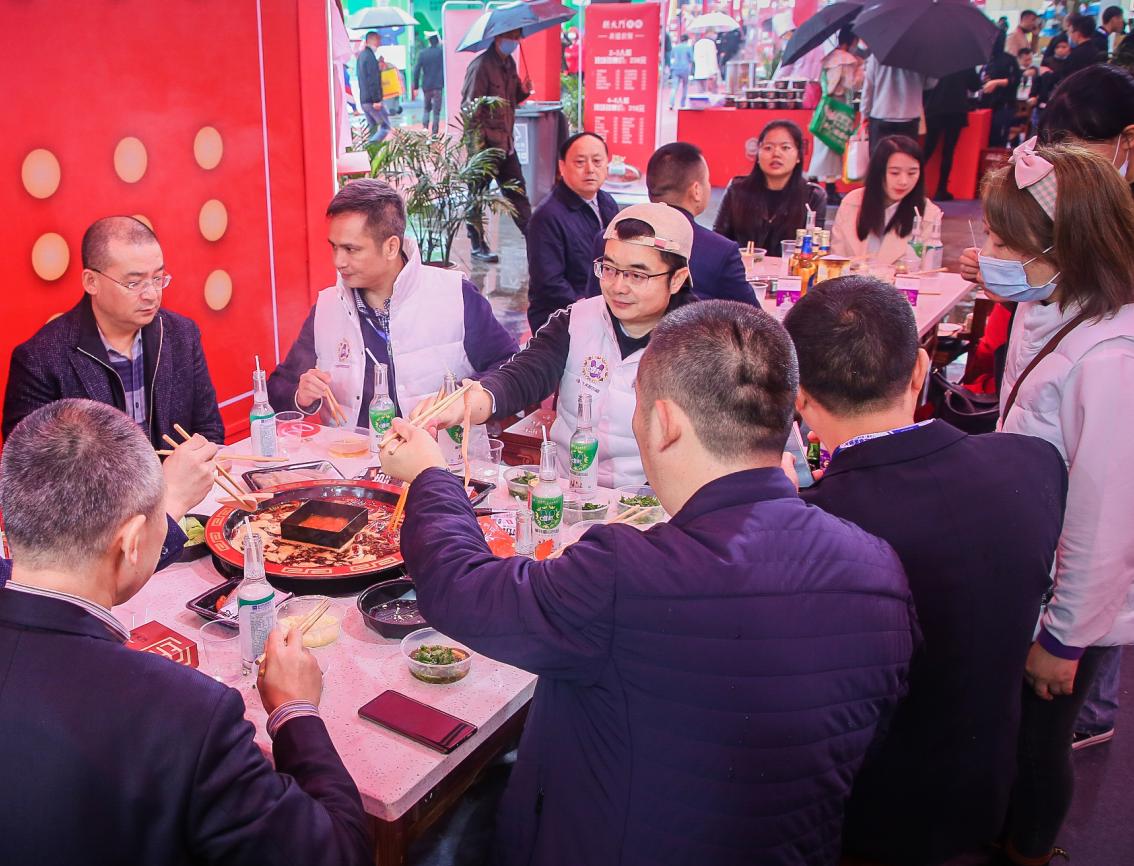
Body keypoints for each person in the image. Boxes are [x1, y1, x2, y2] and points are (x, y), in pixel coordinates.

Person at [379, 301, 918, 866]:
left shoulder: (625, 574)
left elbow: (462, 589)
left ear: (664, 423)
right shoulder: (880, 570)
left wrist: (431, 475)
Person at [0, 399, 371, 866]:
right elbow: (338, 855)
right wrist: (295, 711)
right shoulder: (187, 715)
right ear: (132, 542)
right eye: (164, 518)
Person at [783, 277, 1068, 866]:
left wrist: (777, 505)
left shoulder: (809, 527)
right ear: (919, 369)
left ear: (799, 399)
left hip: (859, 815)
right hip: (987, 791)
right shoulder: (1033, 464)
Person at [977, 141, 1134, 865]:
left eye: (1006, 244)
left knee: (1041, 746)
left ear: (1066, 248)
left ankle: (1031, 851)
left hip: (1066, 603)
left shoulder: (1111, 360)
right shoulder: (1054, 307)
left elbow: (1106, 521)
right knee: (1012, 736)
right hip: (1031, 574)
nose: (991, 256)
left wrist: (1064, 638)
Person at [412, 203, 696, 488]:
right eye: (609, 269)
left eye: (637, 275)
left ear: (677, 279)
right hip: (567, 494)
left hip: (652, 504)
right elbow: (523, 375)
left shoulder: (701, 346)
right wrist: (465, 404)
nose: (618, 286)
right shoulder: (577, 320)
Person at [266, 179, 517, 434]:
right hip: (353, 455)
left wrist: (460, 399)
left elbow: (510, 367)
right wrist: (301, 395)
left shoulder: (454, 295)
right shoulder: (327, 308)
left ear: (391, 247)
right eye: (334, 247)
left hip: (441, 454)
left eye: (351, 249)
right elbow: (278, 389)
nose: (338, 261)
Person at [3, 216, 224, 448]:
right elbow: (29, 464)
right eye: (134, 283)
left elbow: (209, 432)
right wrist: (163, 474)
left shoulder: (182, 335)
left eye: (158, 278)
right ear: (91, 281)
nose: (151, 294)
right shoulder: (40, 360)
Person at [586, 142, 757, 306]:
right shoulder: (721, 251)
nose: (620, 287)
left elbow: (592, 304)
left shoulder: (608, 237)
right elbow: (754, 319)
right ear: (696, 190)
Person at [525, 132, 619, 333]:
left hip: (604, 308)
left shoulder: (607, 202)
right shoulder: (547, 216)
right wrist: (590, 308)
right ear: (562, 167)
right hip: (561, 318)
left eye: (597, 161)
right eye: (580, 162)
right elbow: (549, 283)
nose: (590, 169)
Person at [461, 29, 534, 263]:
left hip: (506, 144)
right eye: (512, 37)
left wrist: (524, 90)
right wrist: (477, 149)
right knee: (477, 196)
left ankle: (536, 240)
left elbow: (512, 99)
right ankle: (477, 244)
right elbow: (470, 108)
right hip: (485, 147)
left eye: (517, 37)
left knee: (517, 193)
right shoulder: (481, 66)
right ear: (499, 37)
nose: (515, 41)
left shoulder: (509, 64)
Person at [713, 120, 827, 254]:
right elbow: (718, 241)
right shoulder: (737, 190)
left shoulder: (813, 196)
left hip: (791, 267)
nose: (776, 154)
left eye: (785, 148)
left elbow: (814, 249)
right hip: (742, 266)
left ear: (798, 156)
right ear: (758, 155)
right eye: (768, 148)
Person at [831, 135, 942, 265]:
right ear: (878, 171)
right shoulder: (852, 202)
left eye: (912, 173)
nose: (904, 181)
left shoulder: (929, 213)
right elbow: (836, 259)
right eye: (895, 173)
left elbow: (927, 269)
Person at [806, 26, 864, 204]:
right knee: (833, 147)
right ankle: (830, 189)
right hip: (838, 106)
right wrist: (860, 70)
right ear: (852, 41)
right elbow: (851, 85)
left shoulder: (829, 58)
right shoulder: (847, 60)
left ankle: (813, 183)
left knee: (821, 147)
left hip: (824, 106)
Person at [923, 67, 981, 200]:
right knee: (948, 151)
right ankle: (941, 189)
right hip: (956, 110)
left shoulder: (933, 61)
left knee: (927, 150)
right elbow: (975, 85)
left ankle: (914, 184)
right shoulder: (965, 62)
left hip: (933, 108)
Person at [862, 54, 933, 156]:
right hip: (910, 116)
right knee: (906, 159)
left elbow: (868, 87)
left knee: (879, 160)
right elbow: (930, 84)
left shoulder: (877, 56)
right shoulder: (921, 56)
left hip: (881, 115)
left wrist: (865, 112)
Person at [982, 30, 1024, 147]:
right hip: (987, 104)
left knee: (998, 136)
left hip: (1004, 105)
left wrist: (997, 82)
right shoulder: (987, 59)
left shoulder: (1009, 60)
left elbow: (1015, 79)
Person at [356, 31, 391, 143]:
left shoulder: (362, 56)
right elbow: (372, 80)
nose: (380, 42)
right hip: (372, 100)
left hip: (364, 99)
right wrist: (376, 100)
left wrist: (378, 65)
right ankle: (370, 146)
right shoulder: (369, 57)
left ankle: (370, 150)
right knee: (385, 127)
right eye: (379, 40)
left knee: (373, 128)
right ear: (373, 40)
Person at [1057, 14, 1106, 83]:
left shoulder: (1075, 55)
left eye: (1071, 32)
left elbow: (1065, 79)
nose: (1070, 35)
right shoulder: (1096, 51)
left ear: (1078, 33)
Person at [413, 34, 444, 135]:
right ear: (437, 41)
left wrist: (416, 86)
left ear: (429, 42)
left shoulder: (423, 53)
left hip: (426, 85)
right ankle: (435, 132)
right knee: (436, 111)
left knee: (426, 108)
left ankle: (425, 128)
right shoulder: (441, 52)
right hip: (438, 86)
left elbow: (416, 70)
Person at [668, 33, 693, 109]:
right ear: (687, 40)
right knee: (685, 86)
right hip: (685, 68)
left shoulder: (675, 47)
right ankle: (683, 103)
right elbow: (691, 59)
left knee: (674, 87)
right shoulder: (688, 47)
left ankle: (671, 103)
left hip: (675, 68)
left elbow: (672, 57)